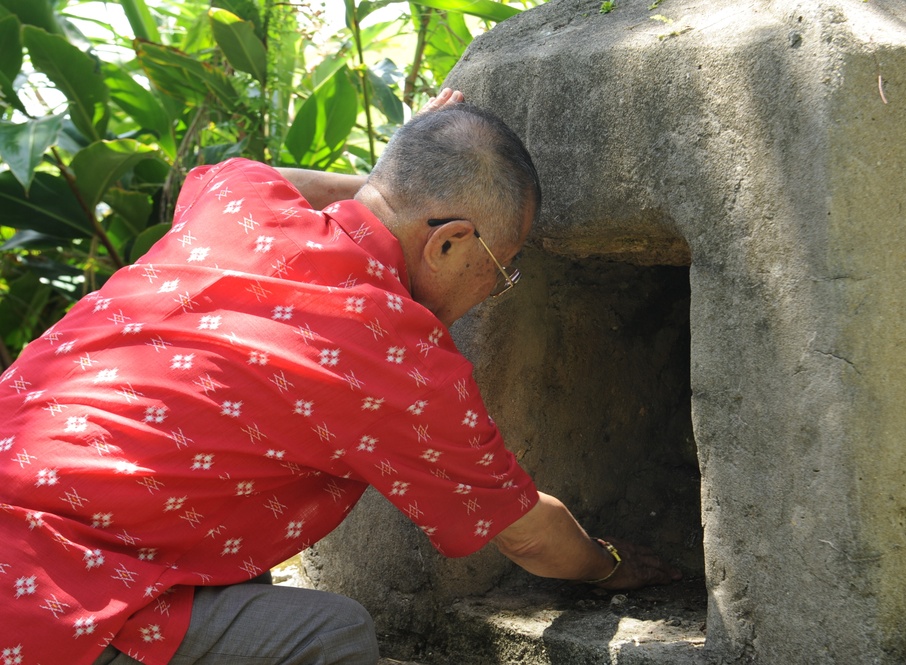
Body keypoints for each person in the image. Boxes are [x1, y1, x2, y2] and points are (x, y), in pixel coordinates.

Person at [0, 90, 679, 665]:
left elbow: (242, 170)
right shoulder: (399, 358)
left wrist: (386, 185)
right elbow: (527, 531)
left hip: (35, 509)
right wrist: (613, 564)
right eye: (501, 272)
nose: (491, 291)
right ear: (449, 242)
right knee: (333, 632)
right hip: (50, 591)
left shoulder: (239, 202)